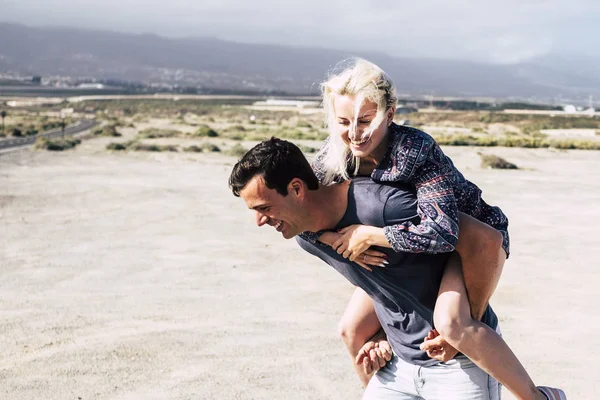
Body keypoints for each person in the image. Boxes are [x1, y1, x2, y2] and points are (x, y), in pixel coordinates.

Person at [299, 57, 564, 400]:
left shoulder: (414, 149)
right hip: (409, 251)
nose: (354, 133)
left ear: (389, 113)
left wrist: (372, 236)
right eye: (343, 122)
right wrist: (328, 237)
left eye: (365, 121)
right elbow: (298, 212)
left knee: (453, 323)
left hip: (465, 244)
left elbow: (442, 232)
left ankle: (538, 397)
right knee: (351, 330)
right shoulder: (332, 158)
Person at [229, 137, 506, 399]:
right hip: (397, 363)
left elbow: (484, 240)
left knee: (453, 324)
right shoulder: (307, 234)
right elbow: (389, 285)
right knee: (350, 330)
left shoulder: (384, 204)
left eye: (264, 207)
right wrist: (380, 335)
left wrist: (467, 322)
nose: (258, 221)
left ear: (297, 189)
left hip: (458, 361)